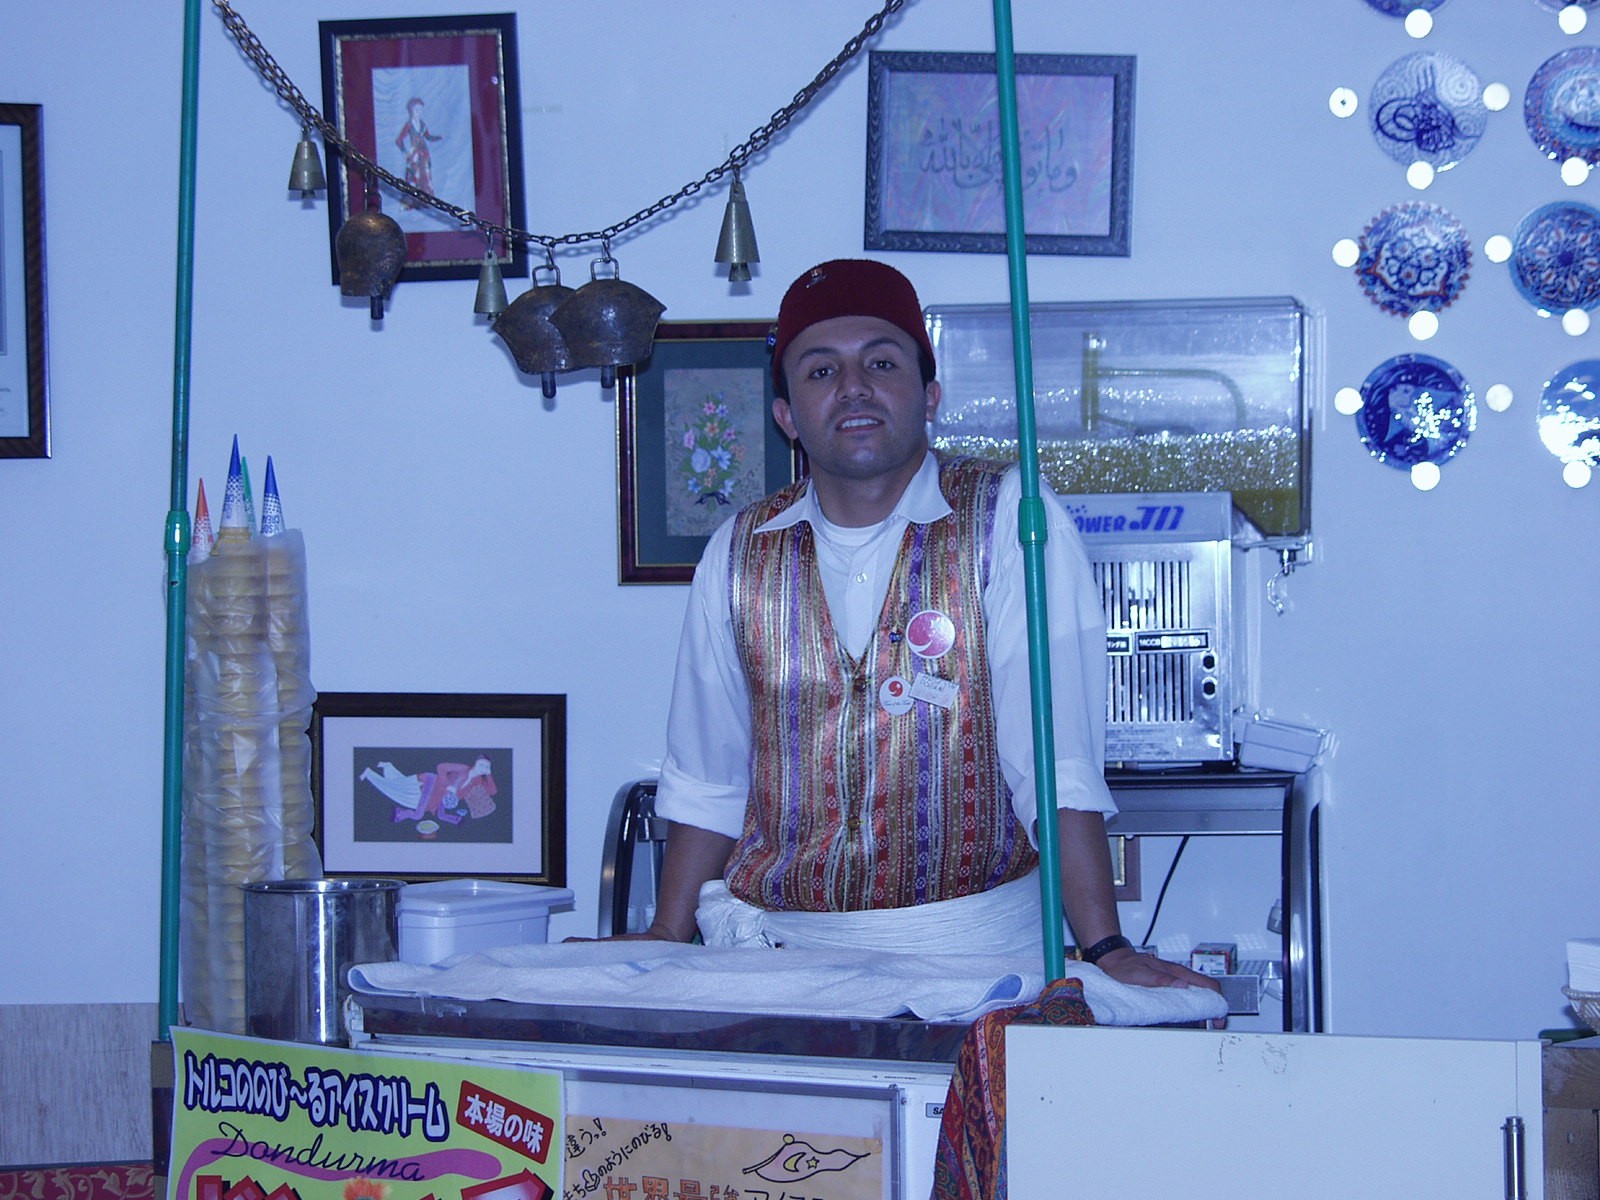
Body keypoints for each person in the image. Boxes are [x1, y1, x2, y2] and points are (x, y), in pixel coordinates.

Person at [642, 258, 1215, 992]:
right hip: (778, 963)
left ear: (930, 394)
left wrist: (1106, 947)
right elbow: (706, 778)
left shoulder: (1009, 517)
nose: (853, 386)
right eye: (821, 371)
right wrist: (665, 937)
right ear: (786, 415)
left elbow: (1054, 762)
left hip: (975, 960)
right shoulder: (739, 551)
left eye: (881, 363)